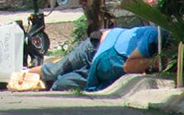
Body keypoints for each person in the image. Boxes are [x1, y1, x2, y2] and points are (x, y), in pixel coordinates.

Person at [26, 25, 170, 92]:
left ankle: (39, 81)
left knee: (60, 84)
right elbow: (129, 66)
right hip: (95, 47)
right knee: (55, 70)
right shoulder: (155, 36)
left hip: (100, 66)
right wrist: (153, 63)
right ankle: (22, 74)